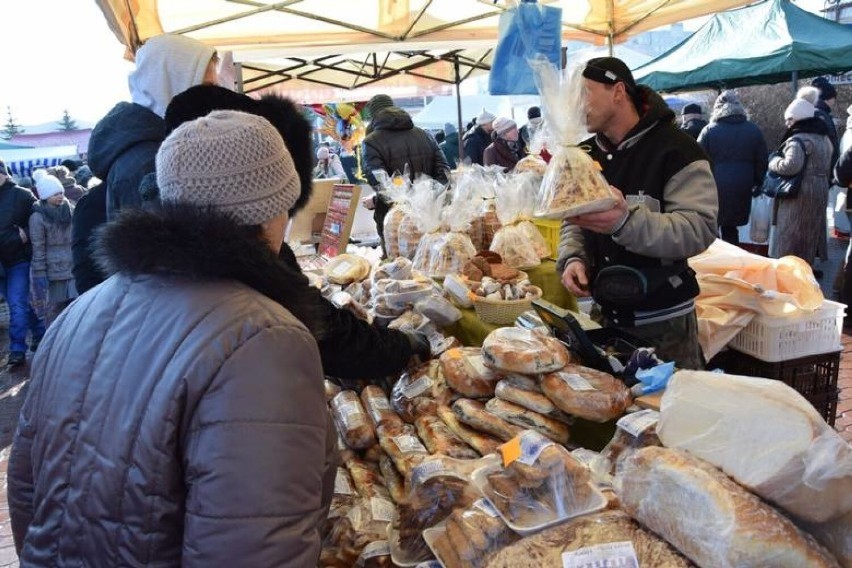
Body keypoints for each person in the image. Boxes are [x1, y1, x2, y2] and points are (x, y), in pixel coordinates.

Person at [9, 110, 335, 565]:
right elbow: (250, 549)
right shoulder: (265, 339)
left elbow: (26, 490)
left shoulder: (79, 313)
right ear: (272, 211)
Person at [163, 84, 429, 380]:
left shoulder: (129, 289)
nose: (287, 221)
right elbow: (323, 332)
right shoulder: (261, 321)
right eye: (286, 206)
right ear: (265, 213)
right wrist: (398, 346)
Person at [557, 57, 718, 370]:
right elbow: (572, 219)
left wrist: (624, 221)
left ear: (618, 91)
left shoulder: (678, 150)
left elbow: (698, 228)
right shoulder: (585, 155)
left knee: (670, 415)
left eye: (584, 93)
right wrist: (573, 256)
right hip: (605, 316)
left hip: (665, 325)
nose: (576, 106)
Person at [73, 34, 218, 294]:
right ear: (171, 83)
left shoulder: (156, 146)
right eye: (206, 86)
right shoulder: (147, 160)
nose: (213, 98)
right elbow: (166, 269)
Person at [362, 93, 450, 255]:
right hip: (430, 215)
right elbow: (444, 172)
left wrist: (403, 198)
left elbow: (378, 179)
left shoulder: (371, 141)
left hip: (394, 218)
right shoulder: (424, 135)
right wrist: (428, 198)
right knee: (432, 262)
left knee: (398, 268)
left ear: (373, 116)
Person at [767, 98, 833, 271]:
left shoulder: (798, 140)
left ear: (799, 118)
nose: (787, 123)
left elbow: (790, 166)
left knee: (791, 234)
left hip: (799, 193)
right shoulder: (824, 138)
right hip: (820, 188)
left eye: (790, 119)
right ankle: (805, 270)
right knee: (810, 233)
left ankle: (789, 274)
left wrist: (773, 161)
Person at [697, 91, 767, 245]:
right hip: (742, 184)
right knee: (730, 227)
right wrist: (757, 182)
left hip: (714, 186)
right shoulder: (753, 130)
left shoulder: (709, 130)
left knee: (711, 225)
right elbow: (762, 160)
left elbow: (697, 159)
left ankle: (713, 261)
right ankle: (733, 261)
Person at [0, 160, 45, 366]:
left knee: (16, 303)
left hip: (17, 259)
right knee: (19, 303)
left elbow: (39, 219)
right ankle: (39, 332)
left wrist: (24, 235)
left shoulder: (21, 195)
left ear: (4, 174)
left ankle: (17, 348)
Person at [28, 172, 77, 326]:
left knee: (77, 306)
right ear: (45, 195)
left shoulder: (71, 210)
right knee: (55, 310)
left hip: (73, 265)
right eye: (55, 193)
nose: (60, 196)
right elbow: (38, 247)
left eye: (61, 192)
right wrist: (39, 272)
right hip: (53, 270)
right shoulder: (37, 217)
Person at [810, 77, 839, 170]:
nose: (834, 103)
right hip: (823, 170)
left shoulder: (816, 112)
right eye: (834, 99)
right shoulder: (820, 115)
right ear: (830, 98)